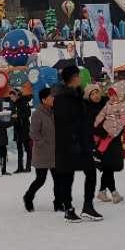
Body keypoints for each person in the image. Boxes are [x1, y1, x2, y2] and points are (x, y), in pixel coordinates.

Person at [51, 66, 100, 221]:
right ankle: (69, 208)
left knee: (90, 172)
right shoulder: (62, 98)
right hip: (69, 144)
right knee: (67, 176)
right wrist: (74, 140)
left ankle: (87, 206)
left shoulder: (77, 96)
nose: (80, 78)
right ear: (73, 77)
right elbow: (65, 122)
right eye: (78, 75)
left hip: (81, 142)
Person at [91, 85, 125, 203]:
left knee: (110, 167)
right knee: (109, 167)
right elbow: (92, 126)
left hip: (113, 141)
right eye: (93, 93)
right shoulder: (89, 108)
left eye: (97, 92)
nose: (96, 95)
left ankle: (102, 191)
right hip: (102, 142)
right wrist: (105, 132)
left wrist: (117, 130)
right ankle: (113, 192)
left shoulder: (107, 104)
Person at [22, 87, 56, 211]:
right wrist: (43, 143)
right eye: (51, 97)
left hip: (55, 152)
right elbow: (33, 133)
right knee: (41, 179)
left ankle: (58, 203)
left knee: (58, 179)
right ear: (44, 99)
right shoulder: (37, 114)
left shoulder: (54, 112)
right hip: (42, 152)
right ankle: (28, 197)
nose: (53, 99)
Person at [11, 89, 33, 173]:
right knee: (19, 149)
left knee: (27, 148)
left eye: (12, 96)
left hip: (24, 128)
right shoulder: (13, 104)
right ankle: (20, 167)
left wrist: (18, 116)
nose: (11, 98)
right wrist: (13, 119)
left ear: (17, 95)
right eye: (11, 97)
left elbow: (28, 114)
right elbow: (12, 115)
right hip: (17, 129)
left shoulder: (24, 102)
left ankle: (28, 167)